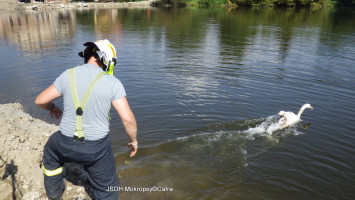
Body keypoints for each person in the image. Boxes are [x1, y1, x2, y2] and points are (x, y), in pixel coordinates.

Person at [35, 39, 138, 200]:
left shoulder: (67, 74)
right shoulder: (113, 83)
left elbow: (40, 101)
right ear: (107, 61)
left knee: (50, 152)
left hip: (64, 143)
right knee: (107, 188)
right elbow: (128, 119)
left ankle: (54, 195)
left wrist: (52, 108)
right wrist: (134, 140)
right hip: (96, 150)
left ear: (87, 56)